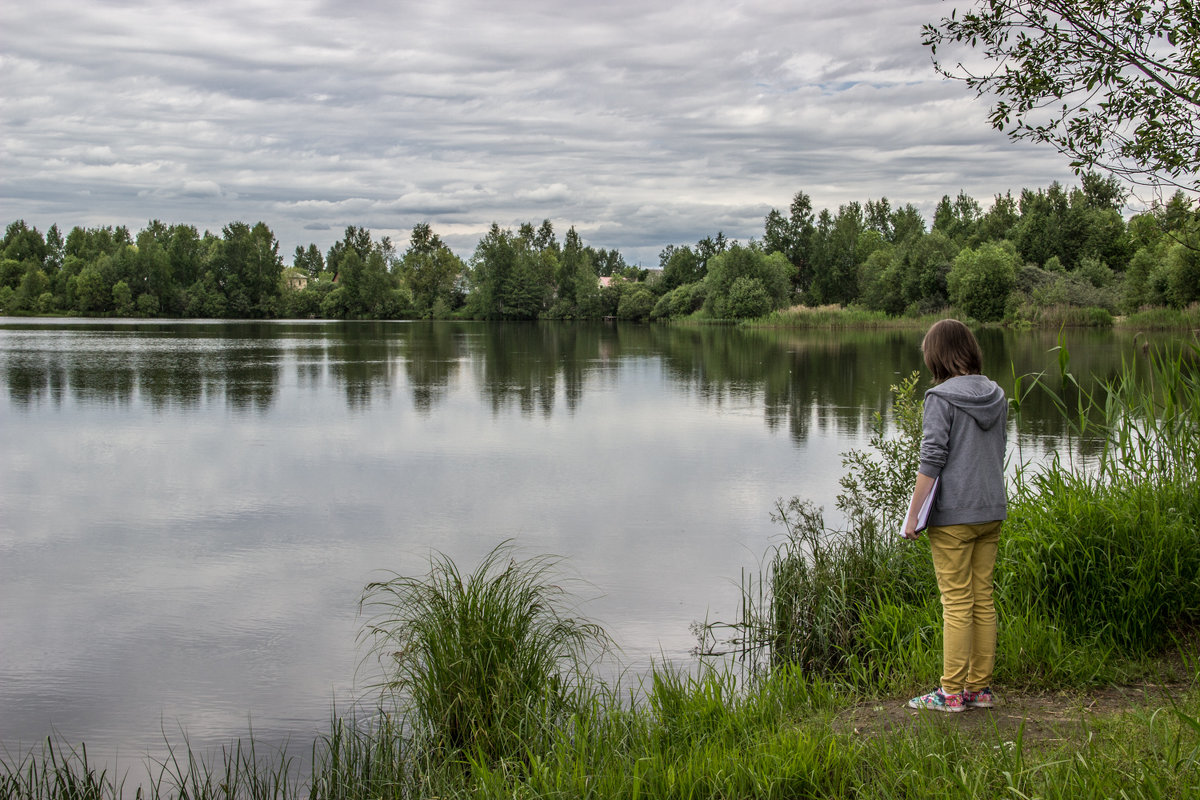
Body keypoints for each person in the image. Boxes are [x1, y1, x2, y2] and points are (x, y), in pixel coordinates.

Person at [902, 319, 1008, 713]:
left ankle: (950, 694)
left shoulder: (940, 398)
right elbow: (997, 451)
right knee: (983, 598)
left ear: (937, 355)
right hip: (991, 509)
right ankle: (979, 690)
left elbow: (932, 459)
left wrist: (912, 516)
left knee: (957, 602)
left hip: (953, 516)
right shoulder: (997, 394)